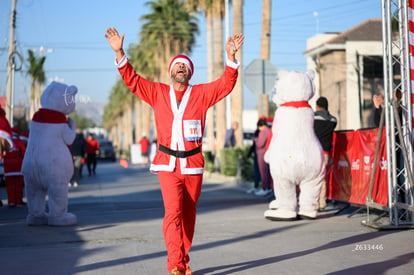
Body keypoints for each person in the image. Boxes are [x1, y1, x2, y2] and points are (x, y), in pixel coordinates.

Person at [105, 27, 244, 275]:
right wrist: (120, 53)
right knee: (173, 213)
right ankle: (176, 266)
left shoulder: (201, 94)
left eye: (185, 67)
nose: (181, 69)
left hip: (193, 165)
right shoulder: (158, 92)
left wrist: (231, 58)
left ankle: (183, 259)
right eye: (177, 67)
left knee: (188, 216)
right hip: (167, 165)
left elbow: (226, 84)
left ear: (189, 73)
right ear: (171, 72)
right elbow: (133, 80)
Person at [313, 96, 337, 210]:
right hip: (326, 152)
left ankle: (314, 203)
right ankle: (322, 202)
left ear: (317, 106)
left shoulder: (313, 117)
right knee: (323, 178)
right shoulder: (333, 120)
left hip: (314, 151)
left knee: (312, 178)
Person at [4, 127, 26, 207]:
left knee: (9, 185)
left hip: (8, 167)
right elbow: (24, 153)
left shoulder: (5, 141)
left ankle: (11, 201)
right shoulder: (19, 142)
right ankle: (18, 200)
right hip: (18, 166)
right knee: (19, 184)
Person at [254, 118, 273, 196]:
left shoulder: (263, 132)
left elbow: (260, 143)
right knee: (267, 172)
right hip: (267, 152)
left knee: (263, 172)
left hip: (262, 153)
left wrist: (256, 140)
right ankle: (268, 187)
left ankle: (265, 188)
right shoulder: (269, 130)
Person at [246, 128, 261, 194]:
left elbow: (254, 145)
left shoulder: (260, 132)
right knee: (258, 171)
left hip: (259, 154)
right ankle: (256, 186)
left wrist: (248, 155)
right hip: (257, 153)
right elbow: (253, 145)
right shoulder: (260, 132)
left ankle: (257, 186)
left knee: (258, 171)